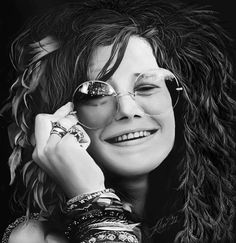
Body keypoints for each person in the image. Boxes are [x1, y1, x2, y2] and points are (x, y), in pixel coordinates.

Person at [1, 0, 236, 242]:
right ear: (65, 118)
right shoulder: (37, 239)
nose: (126, 109)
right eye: (96, 94)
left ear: (181, 102)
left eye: (146, 86)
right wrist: (92, 203)